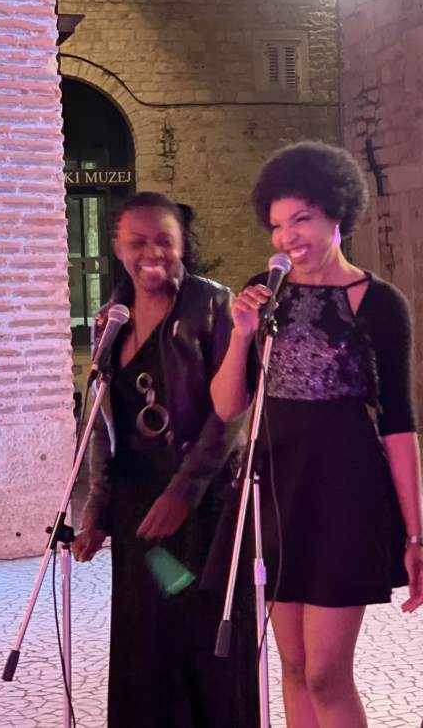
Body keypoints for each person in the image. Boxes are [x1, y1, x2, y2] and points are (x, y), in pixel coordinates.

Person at [209, 141, 423, 728]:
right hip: (277, 488)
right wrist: (241, 334)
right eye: (278, 224)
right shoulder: (264, 293)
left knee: (326, 673)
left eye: (302, 219)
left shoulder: (381, 303)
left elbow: (400, 423)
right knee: (292, 663)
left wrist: (416, 535)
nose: (288, 237)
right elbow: (229, 405)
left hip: (346, 494)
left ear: (337, 213)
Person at [71, 191, 256, 727]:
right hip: (139, 515)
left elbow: (231, 414)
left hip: (205, 508)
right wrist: (97, 509)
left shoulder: (213, 305)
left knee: (205, 643)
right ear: (117, 247)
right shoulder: (111, 318)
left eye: (164, 240)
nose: (151, 252)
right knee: (147, 645)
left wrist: (184, 490)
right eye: (137, 242)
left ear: (181, 245)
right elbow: (103, 423)